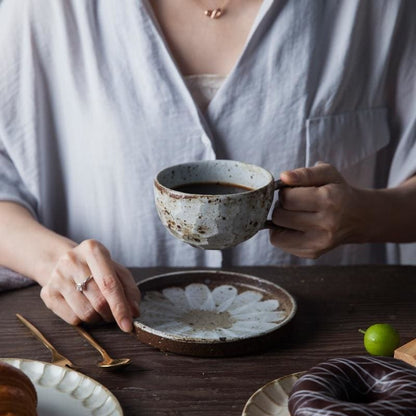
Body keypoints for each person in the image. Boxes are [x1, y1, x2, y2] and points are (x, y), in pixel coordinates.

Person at [0, 0, 415, 332]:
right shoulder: (44, 9)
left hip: (331, 339)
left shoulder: (381, 9)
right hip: (108, 340)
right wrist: (50, 259)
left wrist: (367, 214)